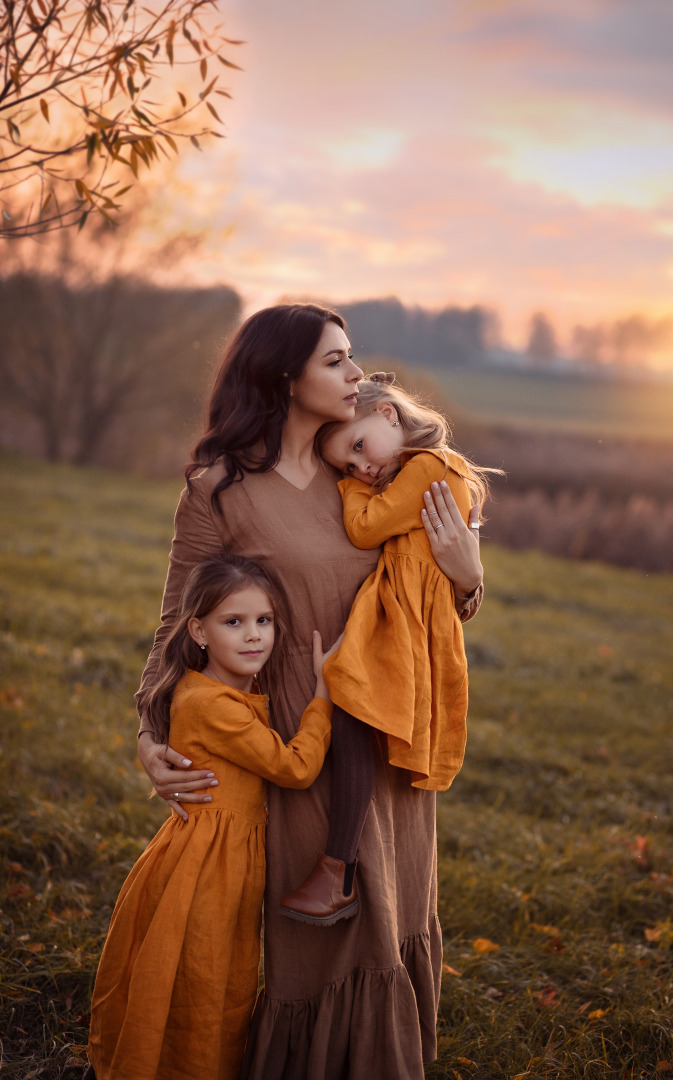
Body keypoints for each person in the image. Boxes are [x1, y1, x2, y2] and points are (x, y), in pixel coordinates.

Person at [136, 303, 485, 1080]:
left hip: (389, 716)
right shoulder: (221, 489)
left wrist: (470, 580)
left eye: (351, 358)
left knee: (393, 912)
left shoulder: (365, 471)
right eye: (335, 361)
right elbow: (176, 625)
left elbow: (428, 591)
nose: (355, 376)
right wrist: (149, 737)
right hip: (302, 727)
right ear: (284, 376)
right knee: (325, 937)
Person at [87, 554, 336, 1080]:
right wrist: (322, 699)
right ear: (198, 630)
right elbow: (293, 767)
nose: (253, 637)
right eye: (233, 622)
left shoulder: (220, 693)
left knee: (219, 974)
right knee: (198, 972)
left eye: (263, 621)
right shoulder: (210, 704)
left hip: (219, 857)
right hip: (205, 865)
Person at [279, 372, 498, 926]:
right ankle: (339, 870)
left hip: (402, 629)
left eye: (359, 448)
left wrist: (349, 489)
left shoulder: (429, 468)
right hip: (399, 623)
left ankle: (338, 870)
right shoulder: (420, 472)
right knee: (352, 720)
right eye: (349, 468)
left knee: (351, 711)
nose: (362, 469)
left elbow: (364, 529)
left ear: (390, 416)